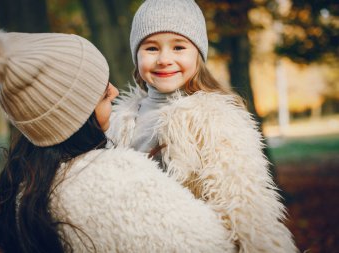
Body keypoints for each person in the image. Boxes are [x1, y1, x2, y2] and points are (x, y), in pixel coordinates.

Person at [0, 27, 235, 252]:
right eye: (103, 92)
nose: (115, 91)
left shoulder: (25, 188)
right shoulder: (119, 177)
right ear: (76, 115)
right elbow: (216, 245)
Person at [107, 0, 299, 252]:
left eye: (178, 47)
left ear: (198, 54)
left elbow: (245, 207)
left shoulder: (216, 120)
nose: (164, 59)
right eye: (151, 48)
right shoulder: (120, 120)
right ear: (136, 55)